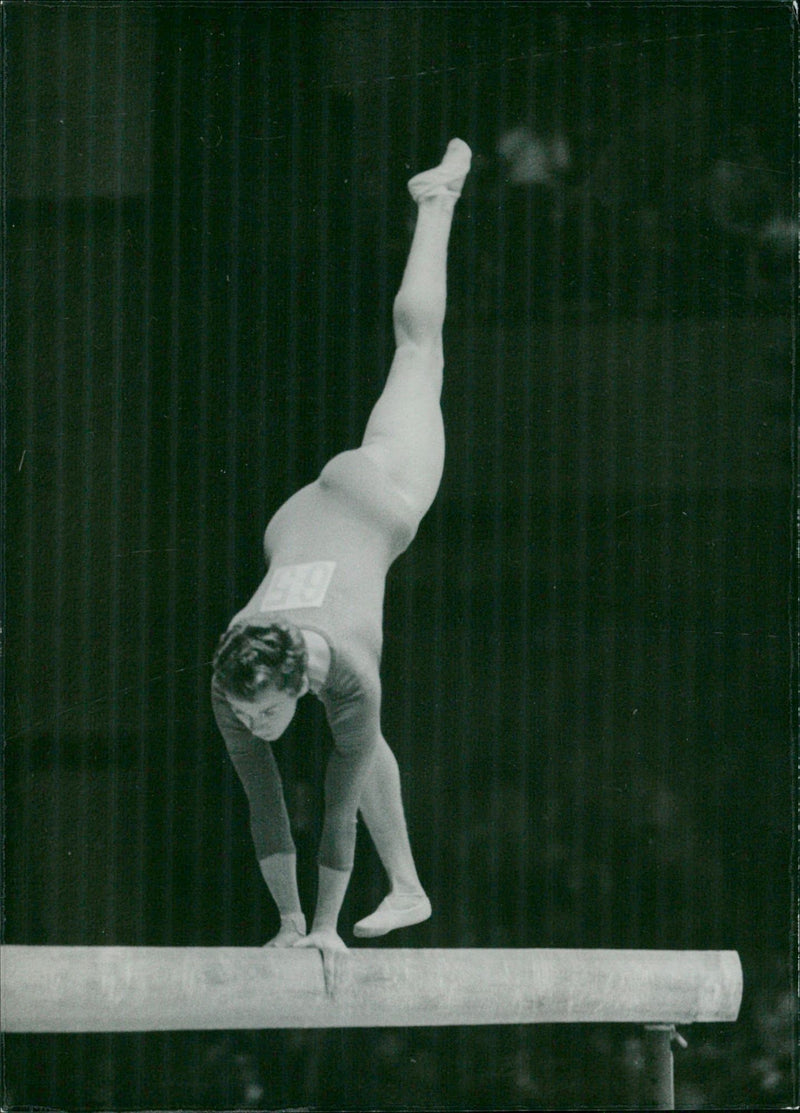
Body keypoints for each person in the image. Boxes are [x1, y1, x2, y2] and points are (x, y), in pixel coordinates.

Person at [211, 139, 472, 969]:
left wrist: (320, 926)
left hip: (374, 493)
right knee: (365, 738)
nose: (253, 725)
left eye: (264, 713)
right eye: (252, 714)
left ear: (297, 682)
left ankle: (439, 204)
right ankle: (409, 886)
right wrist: (291, 922)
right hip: (310, 515)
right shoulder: (233, 674)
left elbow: (333, 807)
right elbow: (263, 802)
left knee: (418, 349)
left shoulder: (350, 668)